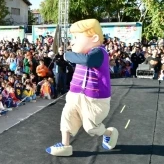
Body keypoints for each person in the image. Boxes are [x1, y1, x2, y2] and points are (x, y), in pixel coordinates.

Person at [46, 19, 118, 156]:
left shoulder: (99, 52)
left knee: (91, 127)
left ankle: (109, 132)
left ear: (95, 38)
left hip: (94, 99)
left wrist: (67, 55)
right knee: (67, 116)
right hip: (75, 94)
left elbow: (88, 61)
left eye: (76, 37)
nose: (72, 42)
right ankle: (65, 145)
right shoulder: (82, 55)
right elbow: (75, 62)